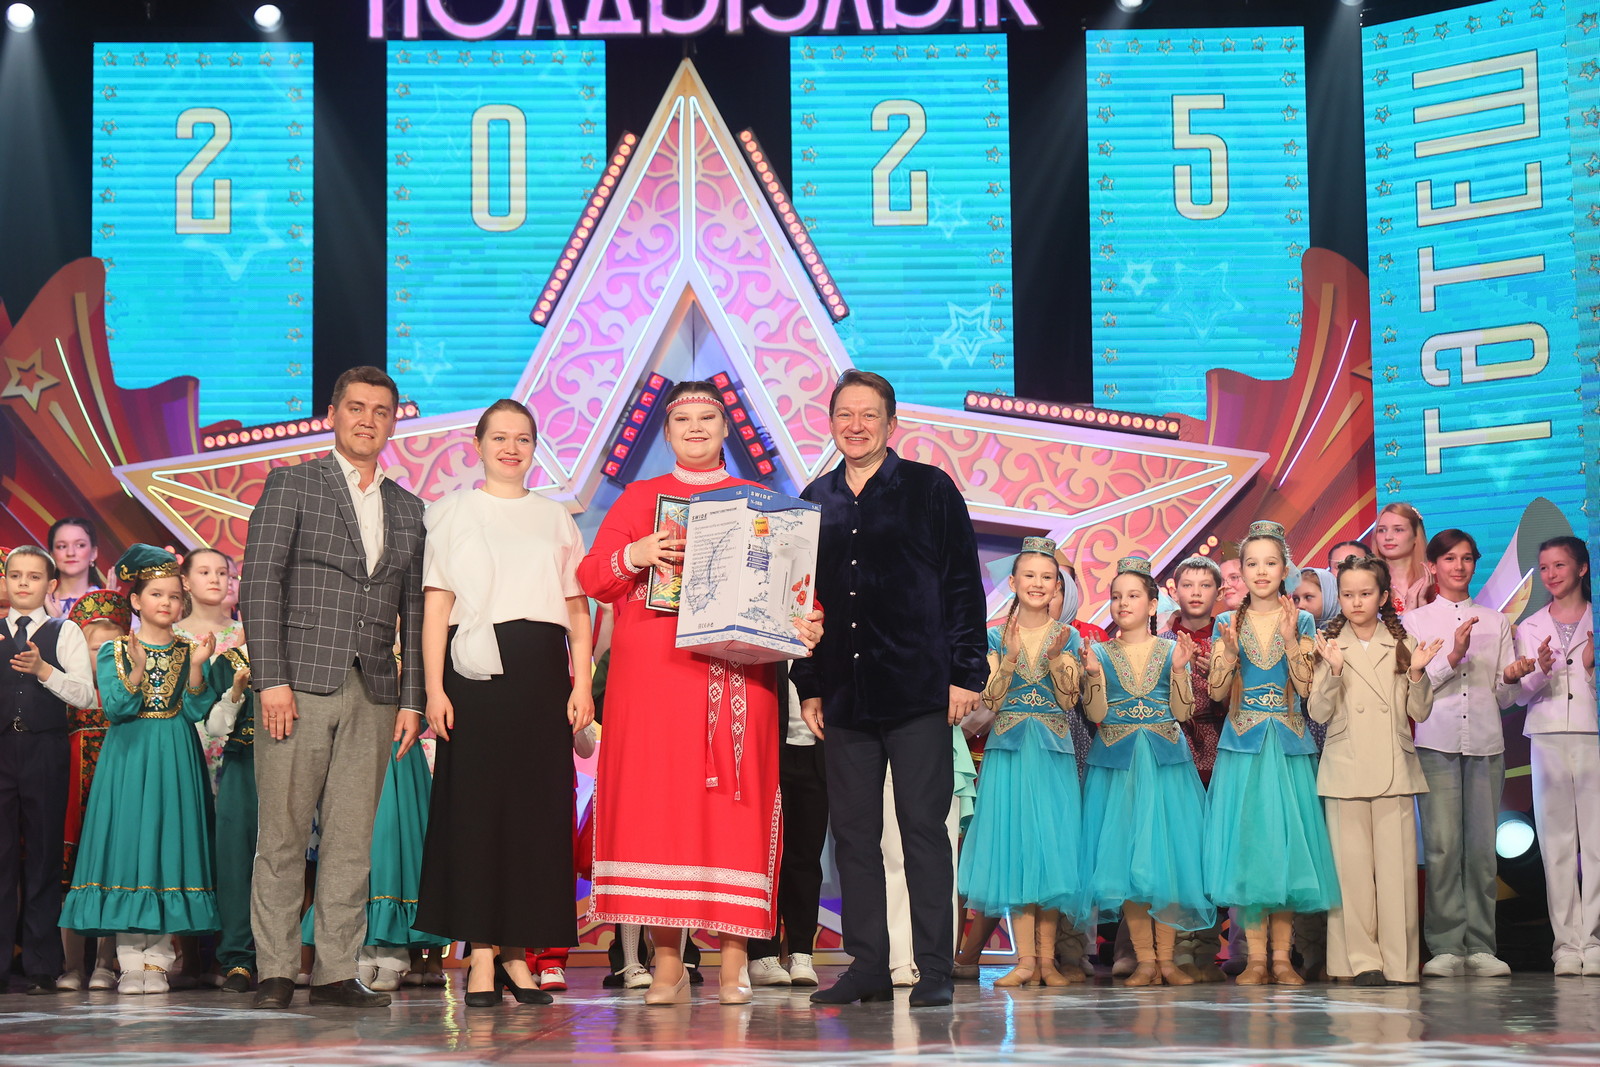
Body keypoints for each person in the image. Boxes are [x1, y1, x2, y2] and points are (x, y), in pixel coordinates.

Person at [577, 381, 822, 1007]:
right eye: (682, 418)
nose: (695, 427)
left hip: (736, 682)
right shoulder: (640, 498)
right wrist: (638, 551)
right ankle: (667, 963)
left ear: (724, 428)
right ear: (666, 432)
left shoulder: (761, 503)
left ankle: (735, 960)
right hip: (654, 683)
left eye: (706, 417)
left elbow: (797, 591)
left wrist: (806, 620)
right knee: (659, 813)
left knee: (733, 809)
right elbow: (593, 577)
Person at [790, 369, 987, 1010]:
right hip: (844, 696)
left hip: (918, 691)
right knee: (852, 836)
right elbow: (801, 601)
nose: (856, 426)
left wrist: (966, 673)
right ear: (830, 423)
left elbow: (963, 585)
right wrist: (809, 684)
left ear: (891, 423)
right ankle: (869, 964)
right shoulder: (813, 499)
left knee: (922, 830)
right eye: (844, 414)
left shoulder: (930, 489)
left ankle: (933, 968)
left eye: (868, 414)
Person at [240, 365, 426, 1010]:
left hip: (374, 689)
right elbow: (259, 583)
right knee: (283, 834)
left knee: (351, 840)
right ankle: (274, 970)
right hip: (297, 685)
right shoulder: (292, 484)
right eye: (356, 407)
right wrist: (270, 679)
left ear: (393, 423)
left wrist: (412, 698)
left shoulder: (409, 508)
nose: (368, 419)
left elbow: (414, 612)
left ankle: (336, 971)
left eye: (381, 410)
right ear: (333, 414)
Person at [415, 398, 594, 1007]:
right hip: (472, 675)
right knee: (475, 812)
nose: (511, 448)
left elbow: (577, 609)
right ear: (478, 445)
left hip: (542, 675)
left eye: (523, 438)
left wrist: (582, 683)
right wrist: (434, 688)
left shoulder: (555, 517)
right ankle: (483, 956)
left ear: (535, 447)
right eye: (499, 438)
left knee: (535, 815)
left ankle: (520, 954)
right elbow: (436, 607)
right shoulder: (451, 512)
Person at [59, 544, 220, 994]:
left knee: (169, 845)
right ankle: (130, 961)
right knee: (130, 845)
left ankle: (159, 960)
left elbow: (196, 710)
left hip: (175, 754)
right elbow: (116, 707)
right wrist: (135, 671)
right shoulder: (114, 649)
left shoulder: (188, 649)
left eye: (174, 596)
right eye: (156, 594)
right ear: (135, 600)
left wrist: (196, 669)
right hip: (129, 755)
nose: (166, 603)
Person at [1205, 520, 1340, 985]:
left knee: (1286, 849)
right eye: (1252, 564)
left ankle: (1282, 958)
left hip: (1286, 745)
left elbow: (1305, 687)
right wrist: (1227, 654)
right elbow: (1217, 691)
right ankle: (1256, 959)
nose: (1261, 572)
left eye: (1270, 563)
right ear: (1241, 571)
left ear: (1285, 570)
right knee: (1250, 850)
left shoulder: (1301, 620)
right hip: (1242, 747)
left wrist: (1287, 637)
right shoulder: (1227, 622)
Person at [1078, 556, 1213, 986]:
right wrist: (1092, 676)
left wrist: (1180, 671)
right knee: (1126, 865)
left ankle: (1168, 961)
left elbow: (1183, 711)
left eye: (1133, 595)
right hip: (1117, 768)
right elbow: (1095, 713)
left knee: (1167, 861)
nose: (1123, 603)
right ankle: (1146, 960)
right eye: (1116, 596)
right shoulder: (1099, 652)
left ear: (1153, 605)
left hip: (1164, 765)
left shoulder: (1172, 649)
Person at [957, 537, 1084, 988]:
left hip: (1051, 751)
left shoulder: (1069, 636)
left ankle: (1047, 962)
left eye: (1047, 577)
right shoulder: (994, 636)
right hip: (1009, 751)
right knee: (1017, 852)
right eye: (1029, 575)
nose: (1038, 583)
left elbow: (1069, 699)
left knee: (1051, 851)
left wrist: (1057, 658)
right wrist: (1009, 658)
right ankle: (1026, 960)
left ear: (1057, 587)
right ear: (1012, 582)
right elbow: (989, 700)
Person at [1310, 556, 1442, 985]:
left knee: (1397, 875)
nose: (1356, 602)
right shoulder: (1329, 645)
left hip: (1394, 767)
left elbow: (1419, 711)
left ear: (1383, 597)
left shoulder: (1403, 643)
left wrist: (1418, 673)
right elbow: (1318, 711)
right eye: (1347, 594)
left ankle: (1400, 964)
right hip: (1345, 767)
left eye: (1365, 593)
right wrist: (1332, 671)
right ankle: (1360, 961)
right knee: (1350, 876)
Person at [1404, 529, 1529, 979]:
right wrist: (1452, 656)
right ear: (1432, 567)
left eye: (1467, 558)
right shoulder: (1415, 622)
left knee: (1480, 850)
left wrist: (1511, 677)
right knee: (1441, 847)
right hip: (1436, 743)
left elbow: (1504, 696)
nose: (1459, 566)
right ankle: (1445, 946)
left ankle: (1481, 945)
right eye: (1449, 559)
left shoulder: (1496, 622)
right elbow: (1414, 686)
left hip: (1485, 743)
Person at [2, 544, 96, 994]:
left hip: (45, 750)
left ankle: (41, 963)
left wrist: (43, 670)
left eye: (34, 576)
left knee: (42, 856)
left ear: (51, 584)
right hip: (2, 750)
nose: (23, 583)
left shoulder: (65, 631)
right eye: (15, 575)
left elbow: (85, 695)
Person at [1514, 535, 1597, 975]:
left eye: (1560, 565)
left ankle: (1592, 940)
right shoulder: (1529, 626)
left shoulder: (1594, 619)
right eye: (1544, 567)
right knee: (1556, 843)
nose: (1550, 575)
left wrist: (1590, 668)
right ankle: (1566, 944)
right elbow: (1518, 694)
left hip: (1591, 733)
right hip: (1547, 735)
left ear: (1582, 568)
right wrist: (1540, 671)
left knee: (1596, 841)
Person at [57, 589, 130, 993]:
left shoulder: (127, 691)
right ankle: (72, 965)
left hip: (116, 785)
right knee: (70, 876)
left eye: (110, 646)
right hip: (73, 791)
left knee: (111, 870)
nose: (101, 654)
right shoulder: (70, 691)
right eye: (93, 647)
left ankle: (104, 963)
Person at [1157, 555, 1226, 982]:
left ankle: (1207, 949)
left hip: (1220, 748)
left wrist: (1221, 674)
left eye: (1205, 585)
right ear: (1173, 590)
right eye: (1188, 585)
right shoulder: (1160, 640)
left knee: (1214, 849)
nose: (1196, 593)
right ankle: (1178, 947)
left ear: (1220, 592)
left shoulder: (1228, 635)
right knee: (1178, 850)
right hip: (1175, 748)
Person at [748, 664, 827, 989]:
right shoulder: (765, 636)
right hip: (766, 751)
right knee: (764, 858)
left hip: (816, 753)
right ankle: (761, 953)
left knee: (806, 858)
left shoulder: (822, 638)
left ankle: (801, 951)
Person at [199, 615, 259, 994]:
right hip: (243, 764)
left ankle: (283, 957)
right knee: (236, 861)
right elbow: (215, 726)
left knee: (290, 863)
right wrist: (236, 692)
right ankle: (239, 959)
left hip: (295, 765)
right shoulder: (230, 662)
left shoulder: (305, 659)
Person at [1373, 503, 1432, 613]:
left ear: (1416, 536)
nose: (1388, 537)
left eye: (1398, 530)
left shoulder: (1436, 581)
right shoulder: (1368, 581)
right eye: (1382, 530)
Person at [47, 518, 102, 618]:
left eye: (80, 545)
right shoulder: (38, 604)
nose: (70, 553)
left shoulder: (106, 603)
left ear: (93, 553)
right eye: (62, 546)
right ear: (52, 555)